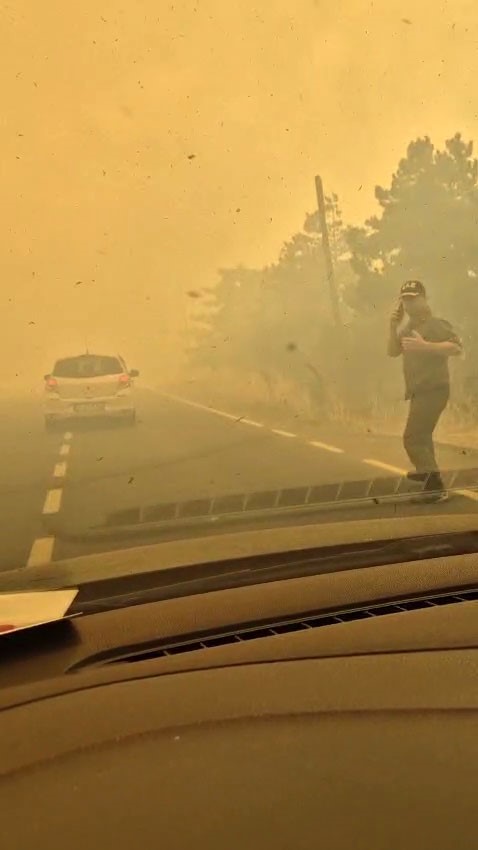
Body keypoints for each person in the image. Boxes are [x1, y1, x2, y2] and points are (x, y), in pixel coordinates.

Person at [387, 280, 462, 503]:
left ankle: (434, 484)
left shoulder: (435, 324)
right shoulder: (408, 329)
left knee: (413, 437)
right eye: (405, 299)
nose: (409, 303)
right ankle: (429, 477)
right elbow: (392, 351)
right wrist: (393, 326)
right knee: (421, 437)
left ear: (424, 299)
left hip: (434, 389)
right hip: (419, 392)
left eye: (413, 298)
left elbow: (456, 347)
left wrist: (426, 346)